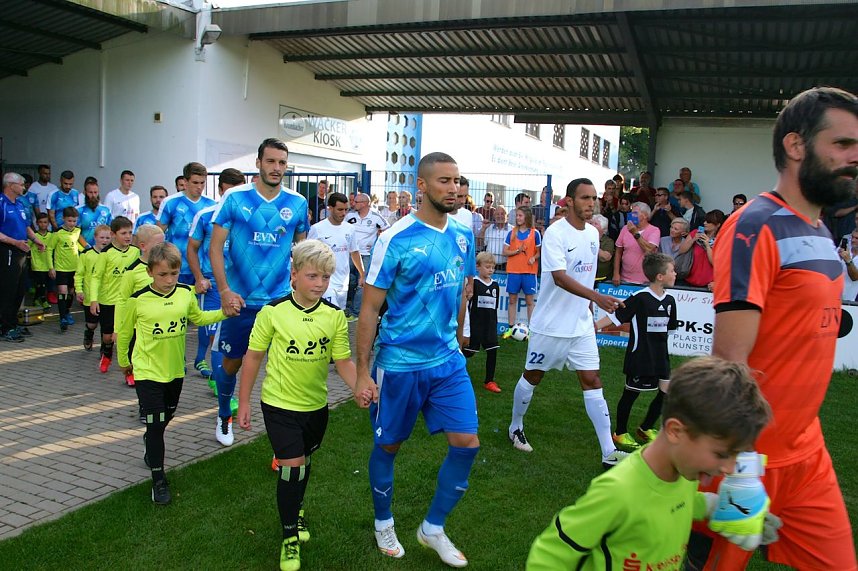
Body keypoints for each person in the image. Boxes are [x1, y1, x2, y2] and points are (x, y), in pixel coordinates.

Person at [688, 86, 858, 571]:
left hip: (808, 455)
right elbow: (729, 362)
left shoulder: (822, 230)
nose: (854, 157)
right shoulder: (754, 226)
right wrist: (739, 470)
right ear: (796, 146)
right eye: (842, 144)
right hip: (746, 458)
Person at [526, 357, 773, 571]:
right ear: (676, 431)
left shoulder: (684, 475)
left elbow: (674, 503)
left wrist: (715, 506)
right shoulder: (617, 492)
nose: (729, 469)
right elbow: (551, 552)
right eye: (721, 454)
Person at [354, 152, 478, 567]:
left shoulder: (464, 234)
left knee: (467, 444)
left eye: (457, 181)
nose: (454, 188)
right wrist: (361, 374)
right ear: (421, 186)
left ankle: (433, 528)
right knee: (388, 446)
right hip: (401, 363)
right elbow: (369, 309)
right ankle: (383, 521)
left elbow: (462, 288)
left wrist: (458, 336)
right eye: (444, 181)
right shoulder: (395, 238)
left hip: (447, 361)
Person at [236, 239, 369, 571]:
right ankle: (289, 538)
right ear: (293, 275)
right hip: (278, 405)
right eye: (312, 277)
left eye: (325, 278)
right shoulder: (272, 312)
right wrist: (243, 402)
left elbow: (342, 361)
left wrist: (359, 388)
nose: (320, 285)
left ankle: (296, 510)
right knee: (292, 465)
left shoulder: (335, 316)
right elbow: (252, 358)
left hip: (315, 407)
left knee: (304, 465)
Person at [507, 178, 626, 470]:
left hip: (580, 325)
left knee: (592, 380)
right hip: (550, 326)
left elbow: (584, 277)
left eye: (594, 198)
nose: (591, 203)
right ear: (570, 201)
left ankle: (608, 450)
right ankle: (515, 426)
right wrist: (596, 297)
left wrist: (588, 305)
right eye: (585, 198)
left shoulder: (593, 235)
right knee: (533, 377)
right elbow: (559, 277)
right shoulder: (555, 234)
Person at [117, 242, 234, 505]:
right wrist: (124, 361)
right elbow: (124, 334)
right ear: (149, 273)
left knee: (165, 418)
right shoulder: (137, 300)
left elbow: (199, 318)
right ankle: (158, 480)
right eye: (162, 275)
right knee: (156, 424)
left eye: (173, 274)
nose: (168, 280)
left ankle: (151, 436)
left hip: (174, 371)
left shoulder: (184, 293)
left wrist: (225, 313)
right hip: (147, 372)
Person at [210, 138, 309, 448]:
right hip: (240, 301)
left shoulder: (297, 203)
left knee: (284, 366)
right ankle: (224, 414)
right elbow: (215, 248)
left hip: (278, 301)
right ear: (258, 163)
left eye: (282, 162)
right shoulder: (235, 198)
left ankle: (285, 437)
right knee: (232, 364)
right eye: (271, 162)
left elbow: (302, 252)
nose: (277, 168)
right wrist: (225, 291)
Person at [596, 252, 678, 452]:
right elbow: (616, 317)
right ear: (660, 276)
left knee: (667, 392)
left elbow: (670, 328)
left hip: (661, 357)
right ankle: (620, 432)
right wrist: (593, 326)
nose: (675, 274)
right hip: (640, 356)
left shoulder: (670, 301)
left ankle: (646, 427)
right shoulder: (639, 298)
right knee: (631, 393)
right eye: (672, 271)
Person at [188, 167, 245, 395]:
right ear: (222, 189)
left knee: (230, 338)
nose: (235, 196)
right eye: (231, 190)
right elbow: (191, 250)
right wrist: (199, 277)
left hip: (238, 286)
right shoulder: (205, 215)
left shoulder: (246, 216)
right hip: (212, 285)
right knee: (216, 334)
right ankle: (218, 382)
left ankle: (221, 379)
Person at [158, 162, 217, 376]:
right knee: (178, 315)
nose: (199, 187)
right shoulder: (171, 203)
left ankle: (201, 359)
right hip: (176, 270)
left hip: (201, 271)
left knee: (202, 316)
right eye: (195, 183)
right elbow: (159, 234)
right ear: (184, 182)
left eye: (202, 183)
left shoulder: (211, 205)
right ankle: (178, 357)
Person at [115, 224, 165, 387]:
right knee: (137, 353)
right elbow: (122, 300)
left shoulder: (164, 267)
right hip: (138, 324)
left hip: (159, 324)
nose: (162, 249)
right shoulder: (132, 271)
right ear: (143, 246)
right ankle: (133, 373)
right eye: (158, 245)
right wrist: (118, 328)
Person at [90, 216, 140, 374]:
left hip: (128, 302)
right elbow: (96, 277)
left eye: (130, 233)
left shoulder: (136, 251)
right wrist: (93, 299)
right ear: (113, 234)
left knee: (128, 336)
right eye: (123, 233)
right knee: (108, 337)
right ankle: (107, 353)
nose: (128, 236)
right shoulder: (105, 254)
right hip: (109, 301)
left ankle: (129, 371)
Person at [0, 173, 46, 342]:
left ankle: (12, 323)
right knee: (8, 290)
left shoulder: (19, 204)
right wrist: (14, 242)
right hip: (8, 251)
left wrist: (36, 240)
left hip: (21, 251)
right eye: (21, 184)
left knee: (20, 290)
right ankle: (5, 328)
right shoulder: (1, 204)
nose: (24, 187)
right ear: (11, 185)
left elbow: (26, 226)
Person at [308, 192, 364, 313]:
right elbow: (307, 254)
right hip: (325, 280)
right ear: (330, 208)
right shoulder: (317, 229)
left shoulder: (350, 228)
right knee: (327, 313)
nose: (343, 213)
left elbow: (354, 252)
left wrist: (362, 274)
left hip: (343, 280)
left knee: (338, 315)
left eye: (346, 209)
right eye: (340, 210)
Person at [344, 192, 389, 318]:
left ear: (365, 204)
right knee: (348, 280)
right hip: (350, 253)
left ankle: (355, 312)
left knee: (362, 283)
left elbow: (387, 231)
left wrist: (378, 243)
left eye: (356, 202)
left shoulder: (376, 216)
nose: (353, 203)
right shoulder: (350, 216)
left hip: (366, 255)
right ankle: (346, 305)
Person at [463, 252, 501, 393]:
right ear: (478, 267)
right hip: (475, 325)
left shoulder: (495, 285)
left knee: (492, 351)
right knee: (469, 351)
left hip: (490, 325)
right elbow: (467, 305)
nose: (490, 270)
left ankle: (489, 381)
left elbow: (495, 307)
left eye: (493, 267)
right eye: (487, 267)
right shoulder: (475, 284)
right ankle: (454, 374)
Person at [501, 206, 541, 335]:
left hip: (529, 272)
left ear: (527, 217)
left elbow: (539, 252)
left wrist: (533, 258)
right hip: (514, 271)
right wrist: (517, 251)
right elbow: (505, 252)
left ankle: (532, 330)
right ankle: (510, 328)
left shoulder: (535, 234)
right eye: (517, 215)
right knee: (512, 300)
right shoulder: (511, 233)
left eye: (520, 215)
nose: (517, 218)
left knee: (530, 301)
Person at [75, 224, 111, 352]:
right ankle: (89, 334)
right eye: (102, 237)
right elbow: (79, 274)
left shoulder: (112, 254)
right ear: (95, 237)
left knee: (106, 327)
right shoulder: (86, 254)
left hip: (107, 297)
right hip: (90, 297)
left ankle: (104, 350)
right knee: (93, 324)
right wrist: (79, 290)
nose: (105, 241)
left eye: (108, 238)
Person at [612, 202, 660, 286]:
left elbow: (649, 249)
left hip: (645, 280)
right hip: (624, 279)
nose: (631, 215)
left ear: (645, 215)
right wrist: (616, 273)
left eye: (635, 213)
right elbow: (618, 252)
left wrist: (635, 233)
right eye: (631, 212)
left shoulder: (654, 230)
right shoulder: (625, 228)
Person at [51, 206, 82, 332]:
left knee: (70, 292)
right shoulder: (57, 233)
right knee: (62, 292)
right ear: (63, 219)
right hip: (61, 268)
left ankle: (67, 312)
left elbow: (78, 246)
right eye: (69, 221)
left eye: (74, 221)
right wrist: (51, 267)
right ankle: (62, 317)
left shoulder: (77, 231)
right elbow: (49, 250)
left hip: (74, 268)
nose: (72, 224)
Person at [677, 209, 724, 290]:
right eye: (705, 221)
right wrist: (693, 239)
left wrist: (707, 245)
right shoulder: (696, 232)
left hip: (709, 284)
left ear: (717, 225)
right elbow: (681, 250)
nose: (705, 223)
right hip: (688, 280)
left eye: (708, 222)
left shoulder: (721, 240)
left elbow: (715, 263)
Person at [77, 177, 112, 247]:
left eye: (95, 192)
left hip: (103, 250)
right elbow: (76, 232)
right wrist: (86, 246)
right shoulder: (79, 210)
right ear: (85, 193)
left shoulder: (106, 210)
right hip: (85, 250)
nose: (93, 195)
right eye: (90, 192)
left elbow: (112, 230)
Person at [29, 213, 53, 310]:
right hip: (37, 265)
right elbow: (28, 247)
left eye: (45, 222)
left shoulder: (51, 236)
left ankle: (36, 299)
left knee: (45, 284)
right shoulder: (33, 236)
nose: (43, 224)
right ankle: (43, 300)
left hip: (48, 265)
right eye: (41, 222)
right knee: (41, 284)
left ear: (48, 224)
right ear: (37, 223)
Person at [659, 218, 693, 283]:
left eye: (676, 229)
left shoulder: (687, 245)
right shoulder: (662, 241)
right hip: (662, 277)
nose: (672, 230)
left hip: (680, 280)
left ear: (684, 233)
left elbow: (685, 267)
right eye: (671, 227)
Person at [481, 206, 511, 271]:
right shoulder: (488, 228)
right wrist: (483, 229)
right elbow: (480, 243)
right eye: (497, 214)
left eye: (502, 214)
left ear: (507, 216)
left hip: (506, 265)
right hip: (489, 265)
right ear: (494, 216)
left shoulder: (512, 230)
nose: (500, 216)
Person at [588, 213, 614, 283]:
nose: (592, 226)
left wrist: (593, 243)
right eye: (591, 223)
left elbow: (605, 257)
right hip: (586, 277)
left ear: (603, 228)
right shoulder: (583, 238)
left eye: (596, 224)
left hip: (602, 279)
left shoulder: (608, 241)